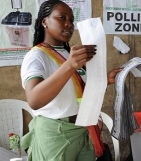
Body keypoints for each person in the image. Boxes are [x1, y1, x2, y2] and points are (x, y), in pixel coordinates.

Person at [20, 0, 121, 160]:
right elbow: (34, 100)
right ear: (45, 21)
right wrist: (69, 66)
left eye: (72, 20)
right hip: (56, 133)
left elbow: (78, 92)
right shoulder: (36, 56)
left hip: (82, 128)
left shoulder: (68, 54)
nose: (69, 24)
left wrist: (105, 81)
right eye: (62, 18)